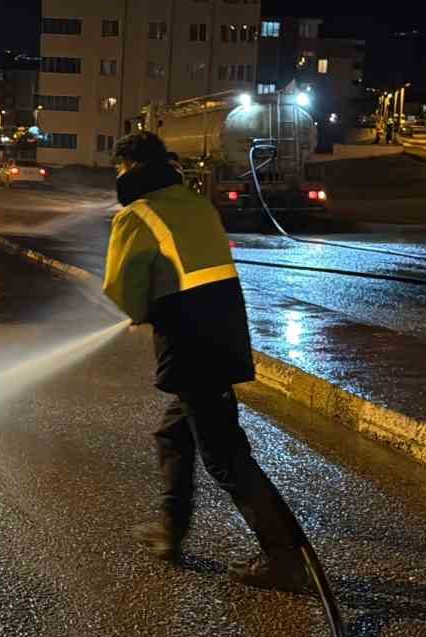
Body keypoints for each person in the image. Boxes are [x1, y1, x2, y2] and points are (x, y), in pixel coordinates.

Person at [101, 131, 311, 593]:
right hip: (225, 329)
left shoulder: (135, 216)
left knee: (224, 456)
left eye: (117, 168)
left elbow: (122, 288)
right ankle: (170, 530)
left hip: (190, 339)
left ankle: (284, 557)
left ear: (128, 167)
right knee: (174, 433)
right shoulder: (196, 204)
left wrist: (142, 313)